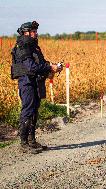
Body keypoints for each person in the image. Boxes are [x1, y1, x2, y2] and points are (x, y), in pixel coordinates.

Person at [11, 21, 62, 154]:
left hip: (36, 82)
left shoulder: (33, 46)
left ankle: (32, 141)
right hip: (27, 83)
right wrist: (50, 67)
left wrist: (52, 66)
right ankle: (24, 143)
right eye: (33, 31)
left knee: (34, 111)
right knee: (27, 110)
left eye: (36, 31)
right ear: (25, 33)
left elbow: (41, 63)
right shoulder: (23, 46)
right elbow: (31, 67)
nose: (36, 33)